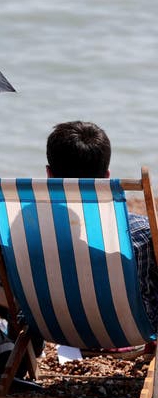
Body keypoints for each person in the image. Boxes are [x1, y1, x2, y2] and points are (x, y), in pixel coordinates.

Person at [45, 121, 158, 334]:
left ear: (49, 174)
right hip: (130, 331)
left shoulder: (27, 230)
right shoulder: (139, 233)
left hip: (52, 328)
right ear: (106, 177)